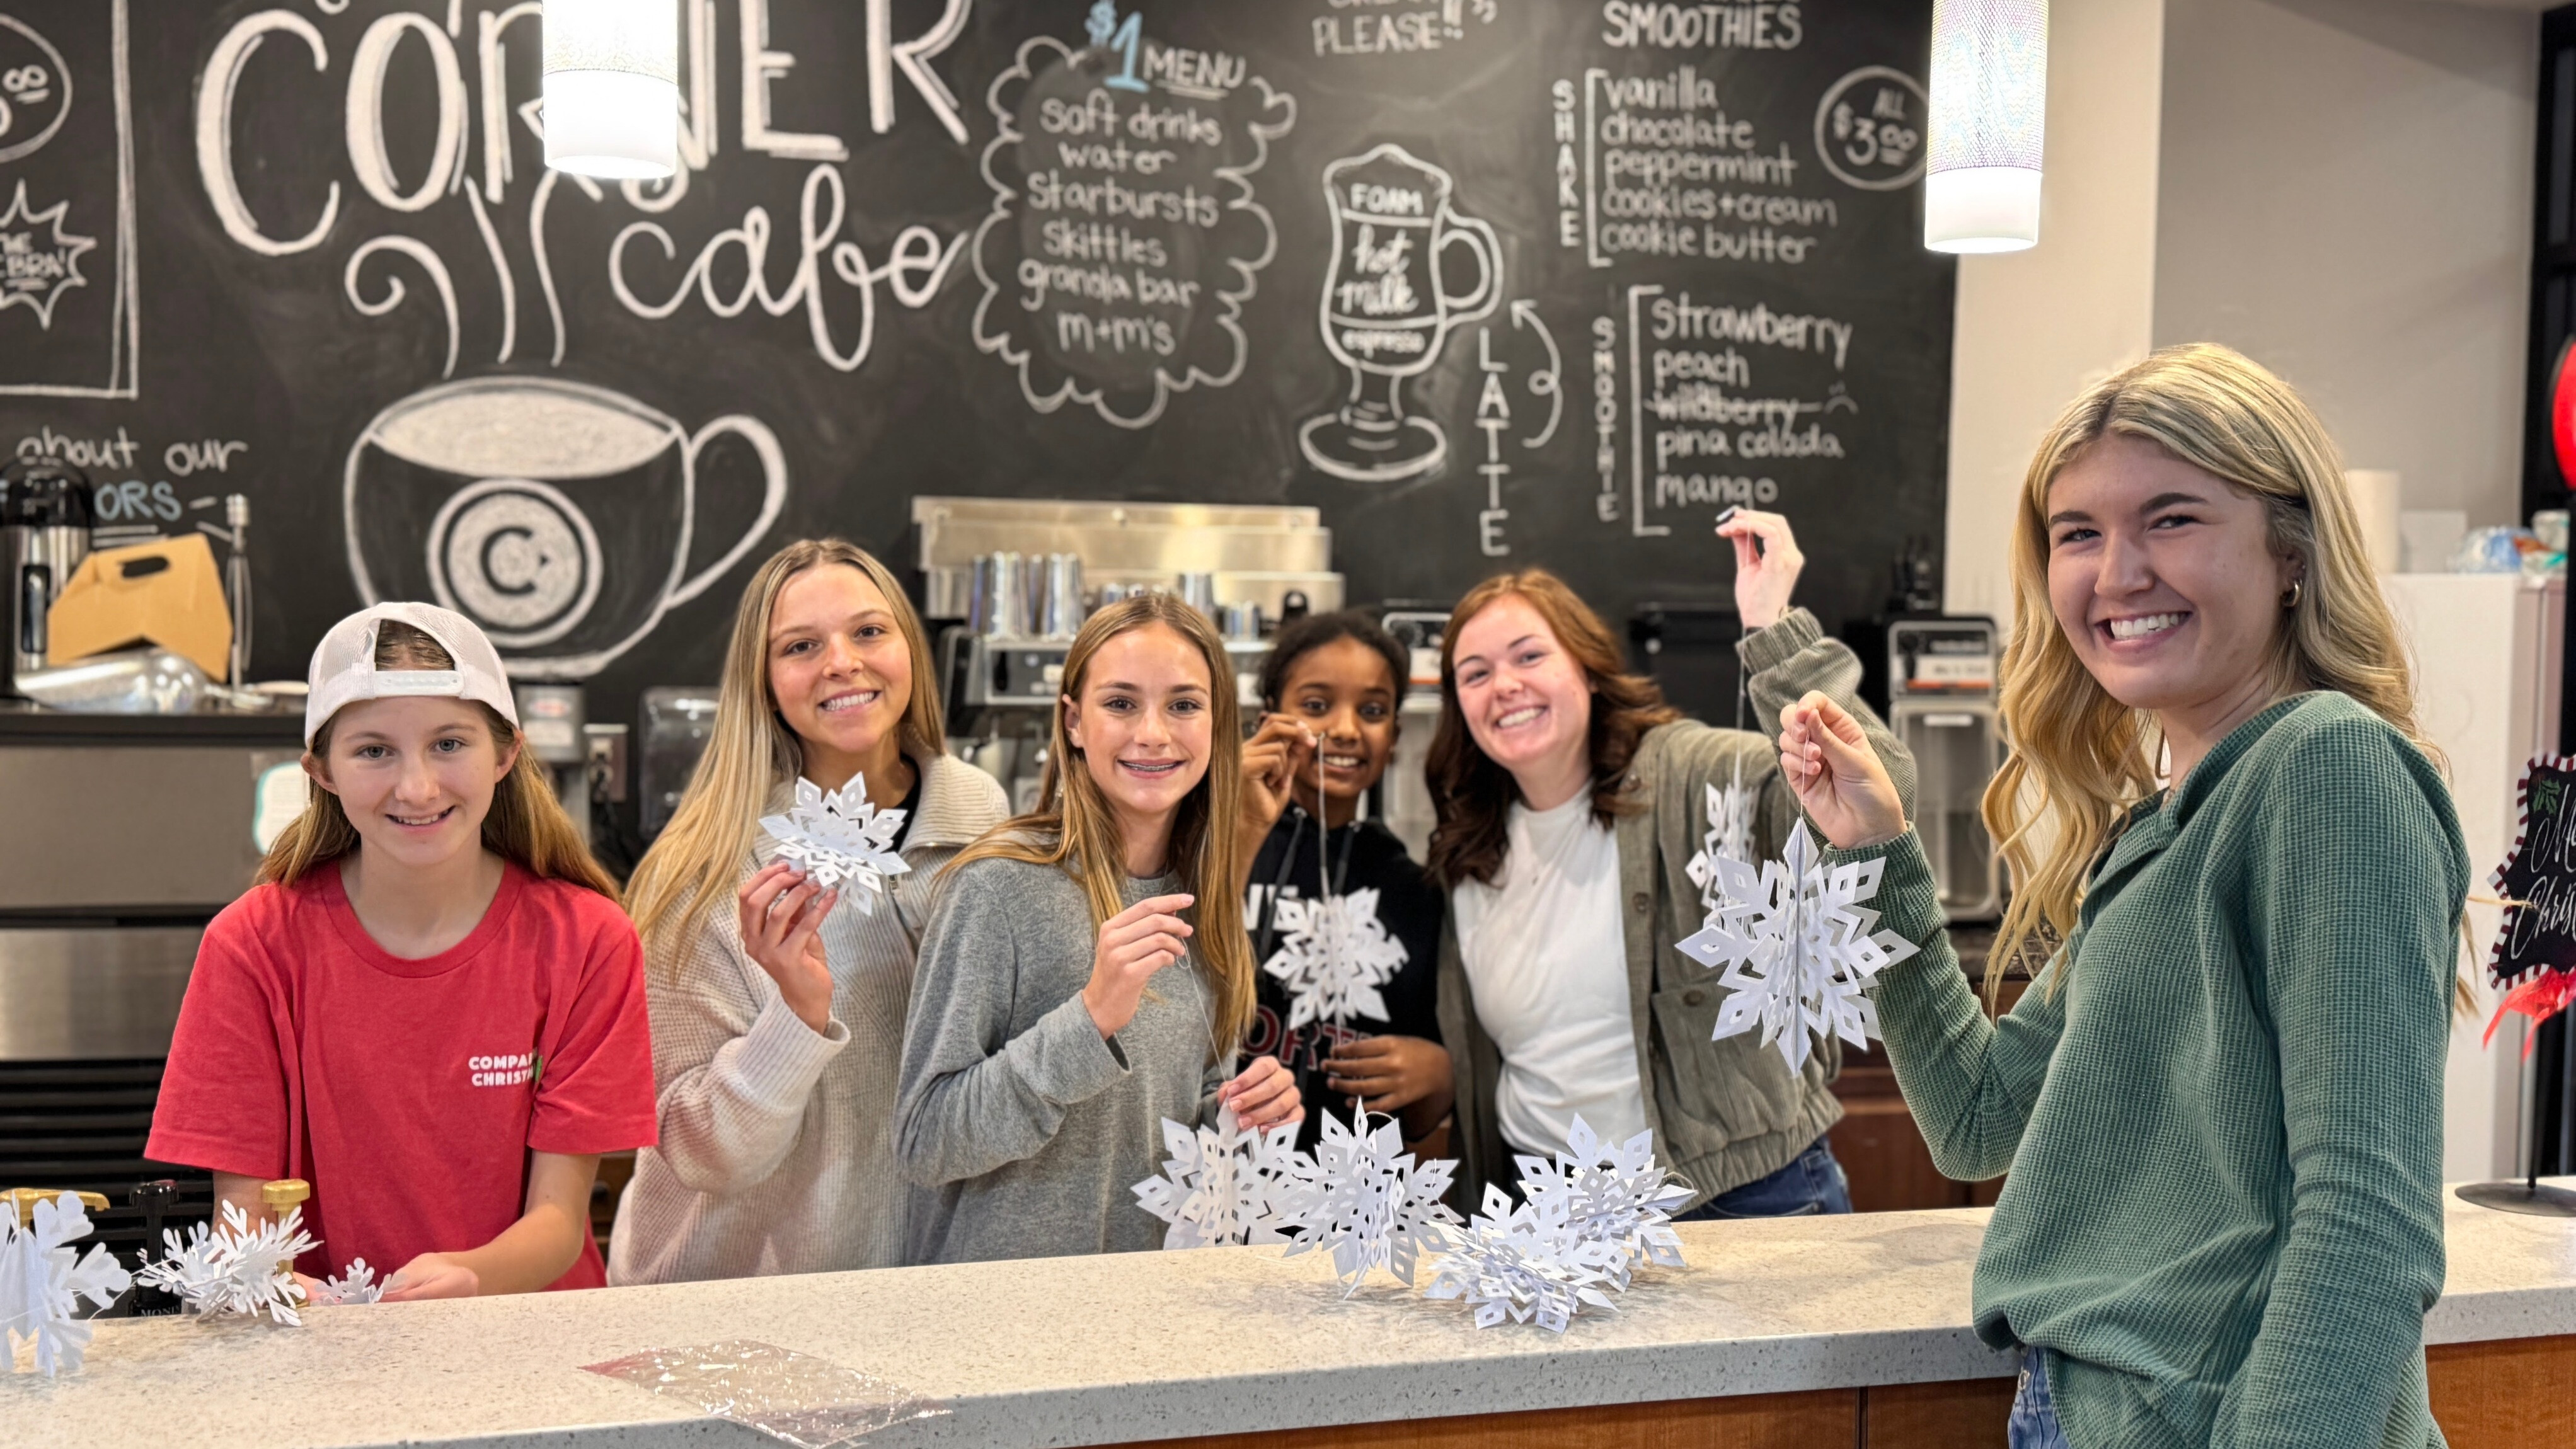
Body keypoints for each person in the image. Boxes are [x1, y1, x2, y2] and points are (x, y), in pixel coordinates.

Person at [1775, 345, 2468, 1449]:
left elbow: (2366, 1224)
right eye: (2077, 534)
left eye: (2172, 520)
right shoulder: (2171, 819)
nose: (2115, 572)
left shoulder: (2324, 767)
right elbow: (1974, 1117)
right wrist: (1878, 856)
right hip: (2087, 1411)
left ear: (2289, 549)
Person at [147, 603, 654, 1299]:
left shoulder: (590, 939)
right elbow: (243, 1225)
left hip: (532, 1344)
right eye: (373, 750)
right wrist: (279, 1287)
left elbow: (559, 1221)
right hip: (327, 1356)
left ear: (506, 753)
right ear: (320, 770)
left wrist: (471, 1275)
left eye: (449, 743)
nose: (416, 787)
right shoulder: (251, 945)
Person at [1425, 517, 1913, 1218]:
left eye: (1529, 656)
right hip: (1549, 1213)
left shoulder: (1688, 774)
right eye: (1474, 673)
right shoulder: (1466, 850)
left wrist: (1770, 627)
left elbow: (1883, 795)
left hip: (1735, 1197)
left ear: (1587, 669)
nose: (1502, 684)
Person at [609, 541, 1008, 1283]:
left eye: (868, 631)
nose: (841, 662)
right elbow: (700, 1154)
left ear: (909, 650)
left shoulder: (983, 818)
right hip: (727, 1304)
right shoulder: (703, 871)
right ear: (761, 682)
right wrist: (792, 1016)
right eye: (800, 645)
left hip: (920, 1290)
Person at [897, 593, 1303, 1262]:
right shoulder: (996, 888)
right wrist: (1089, 1019)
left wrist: (1245, 1117)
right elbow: (925, 1140)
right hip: (1003, 1327)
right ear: (1074, 721)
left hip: (1151, 1316)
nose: (1153, 732)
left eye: (1182, 704)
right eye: (1120, 703)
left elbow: (1180, 1135)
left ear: (1218, 723)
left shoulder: (1205, 905)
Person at [1234, 612, 1449, 1149]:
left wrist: (1442, 1076)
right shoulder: (1224, 849)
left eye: (1372, 711)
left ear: (1395, 736)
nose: (1347, 728)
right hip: (1215, 1182)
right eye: (1316, 705)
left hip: (1355, 1198)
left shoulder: (1413, 888)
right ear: (1269, 721)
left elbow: (1422, 1105)